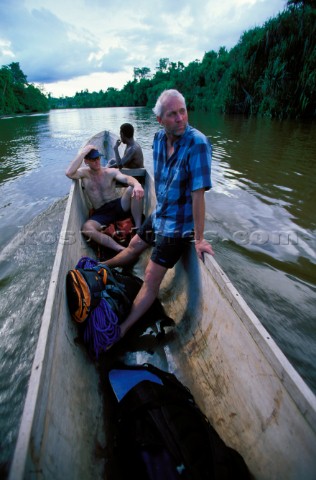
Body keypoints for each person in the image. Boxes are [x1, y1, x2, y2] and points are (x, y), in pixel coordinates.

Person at [103, 89, 214, 347]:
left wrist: (199, 240)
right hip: (161, 212)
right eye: (172, 114)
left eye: (182, 111)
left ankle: (121, 330)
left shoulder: (197, 144)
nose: (180, 118)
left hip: (178, 226)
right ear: (160, 120)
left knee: (151, 276)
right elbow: (162, 183)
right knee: (133, 246)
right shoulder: (156, 139)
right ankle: (102, 266)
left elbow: (199, 195)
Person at [65, 144, 144, 252]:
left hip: (117, 205)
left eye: (98, 158)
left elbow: (126, 178)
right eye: (93, 159)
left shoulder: (110, 172)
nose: (97, 161)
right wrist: (82, 152)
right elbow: (69, 172)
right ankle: (120, 249)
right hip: (101, 212)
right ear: (86, 161)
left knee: (133, 189)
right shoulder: (84, 173)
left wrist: (137, 184)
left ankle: (138, 229)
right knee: (86, 228)